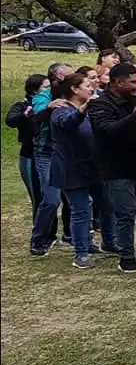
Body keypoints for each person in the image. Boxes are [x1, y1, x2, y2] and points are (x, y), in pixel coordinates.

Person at [47, 72, 110, 269]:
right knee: (81, 209)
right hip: (70, 168)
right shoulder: (61, 110)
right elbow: (68, 123)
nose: (92, 89)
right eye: (87, 86)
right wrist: (83, 110)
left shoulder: (92, 109)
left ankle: (109, 242)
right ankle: (80, 253)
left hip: (93, 166)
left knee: (106, 205)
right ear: (74, 89)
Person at [27, 64, 72, 253]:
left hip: (67, 153)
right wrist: (48, 107)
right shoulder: (44, 95)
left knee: (77, 199)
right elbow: (37, 113)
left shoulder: (72, 93)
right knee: (52, 199)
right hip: (46, 153)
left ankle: (76, 238)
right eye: (71, 74)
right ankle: (38, 240)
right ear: (60, 76)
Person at [8, 75, 47, 217]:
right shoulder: (23, 106)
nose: (48, 90)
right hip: (29, 156)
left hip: (49, 156)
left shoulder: (50, 105)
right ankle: (41, 235)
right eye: (45, 87)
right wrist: (24, 115)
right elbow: (10, 120)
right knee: (38, 195)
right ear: (34, 90)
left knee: (52, 198)